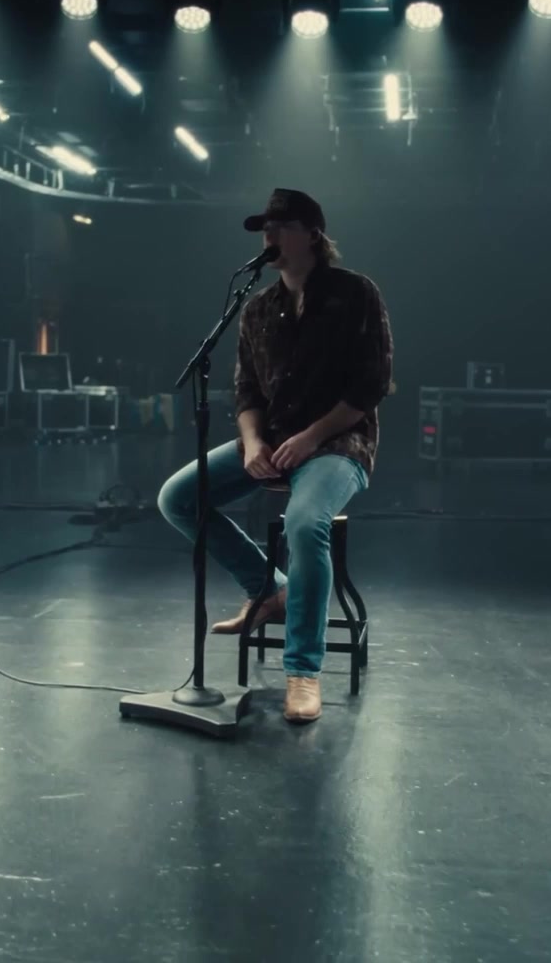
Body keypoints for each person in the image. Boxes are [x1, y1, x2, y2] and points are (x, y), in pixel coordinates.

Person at [156, 189, 393, 724]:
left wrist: (310, 438)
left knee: (305, 524)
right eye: (265, 228)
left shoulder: (355, 293)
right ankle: (271, 590)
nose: (269, 237)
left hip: (339, 442)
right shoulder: (258, 307)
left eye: (280, 227)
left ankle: (302, 671)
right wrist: (254, 441)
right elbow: (245, 391)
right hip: (272, 440)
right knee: (178, 498)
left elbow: (371, 384)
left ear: (313, 234)